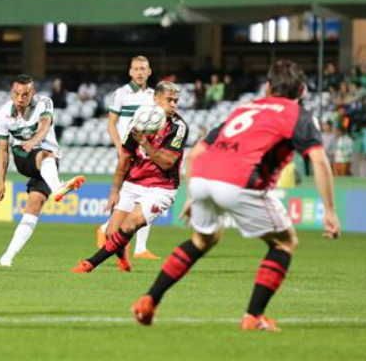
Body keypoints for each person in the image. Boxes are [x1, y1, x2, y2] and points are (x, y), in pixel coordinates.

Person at [131, 60, 340, 331]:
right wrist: (330, 211)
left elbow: (196, 153)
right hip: (240, 181)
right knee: (284, 242)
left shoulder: (245, 109)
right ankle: (253, 317)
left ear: (267, 87)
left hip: (204, 177)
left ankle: (149, 300)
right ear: (301, 90)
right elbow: (320, 161)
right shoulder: (298, 114)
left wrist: (193, 197)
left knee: (202, 240)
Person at [72, 81, 188, 273]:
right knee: (111, 233)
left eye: (176, 101)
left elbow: (167, 163)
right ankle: (123, 260)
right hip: (134, 182)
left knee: (130, 224)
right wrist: (114, 191)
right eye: (169, 100)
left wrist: (145, 143)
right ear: (155, 99)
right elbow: (125, 157)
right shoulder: (138, 121)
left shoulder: (178, 127)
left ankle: (90, 264)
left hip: (161, 188)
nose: (174, 105)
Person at [0, 75, 85, 267]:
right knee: (46, 155)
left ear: (32, 93)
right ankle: (59, 188)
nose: (20, 99)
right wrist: (1, 182)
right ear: (12, 92)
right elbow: (2, 150)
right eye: (17, 94)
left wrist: (34, 142)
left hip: (47, 163)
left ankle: (6, 258)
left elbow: (45, 126)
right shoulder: (4, 114)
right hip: (23, 157)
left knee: (33, 208)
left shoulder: (44, 103)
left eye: (25, 94)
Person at [96, 56, 159, 260]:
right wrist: (120, 148)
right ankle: (107, 230)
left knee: (147, 198)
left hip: (145, 154)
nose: (140, 72)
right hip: (129, 154)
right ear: (130, 72)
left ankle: (139, 247)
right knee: (132, 198)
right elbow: (111, 124)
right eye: (136, 69)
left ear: (149, 71)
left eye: (143, 68)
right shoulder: (121, 93)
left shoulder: (153, 95)